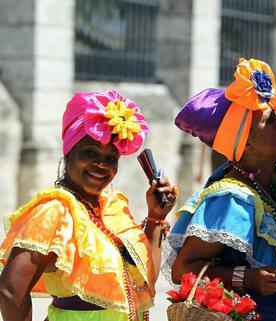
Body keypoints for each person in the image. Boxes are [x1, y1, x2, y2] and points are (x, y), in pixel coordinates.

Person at [0, 90, 178, 321]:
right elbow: (10, 290)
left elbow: (142, 284)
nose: (101, 165)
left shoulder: (113, 208)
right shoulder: (56, 211)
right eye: (91, 153)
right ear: (69, 153)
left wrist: (156, 217)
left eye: (111, 158)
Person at [162, 58, 276, 321]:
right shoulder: (232, 199)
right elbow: (183, 269)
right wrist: (248, 278)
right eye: (269, 122)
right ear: (246, 145)